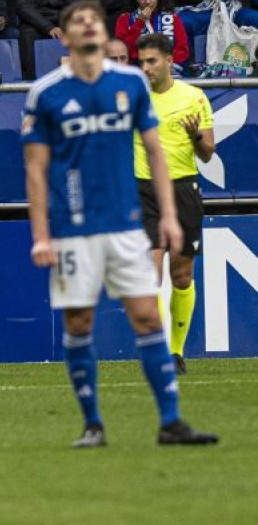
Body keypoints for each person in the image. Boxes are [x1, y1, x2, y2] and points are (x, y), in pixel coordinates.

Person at [21, 1, 217, 447]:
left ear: (104, 32)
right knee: (79, 323)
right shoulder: (46, 93)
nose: (88, 24)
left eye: (94, 18)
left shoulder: (129, 82)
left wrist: (168, 214)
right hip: (73, 231)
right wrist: (40, 235)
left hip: (128, 225)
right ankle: (92, 424)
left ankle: (171, 421)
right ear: (65, 36)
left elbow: (155, 151)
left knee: (148, 316)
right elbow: (35, 169)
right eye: (78, 20)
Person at [134, 33, 215, 375]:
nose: (146, 68)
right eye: (142, 62)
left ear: (169, 61)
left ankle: (176, 352)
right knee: (148, 274)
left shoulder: (194, 97)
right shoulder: (132, 99)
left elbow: (207, 153)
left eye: (152, 61)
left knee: (181, 275)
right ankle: (155, 349)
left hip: (183, 189)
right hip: (144, 190)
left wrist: (196, 134)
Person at [115, 0, 189, 65]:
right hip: (138, 70)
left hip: (169, 70)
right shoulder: (124, 19)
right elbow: (123, 53)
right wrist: (139, 23)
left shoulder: (172, 18)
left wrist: (160, 60)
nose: (147, 2)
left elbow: (183, 52)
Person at [16, 0, 66, 79]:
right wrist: (48, 27)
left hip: (63, 21)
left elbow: (76, 6)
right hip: (35, 23)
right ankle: (32, 81)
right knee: (28, 34)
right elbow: (24, 8)